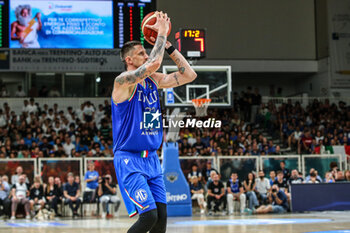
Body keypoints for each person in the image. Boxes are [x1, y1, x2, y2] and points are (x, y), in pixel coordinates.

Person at [111, 11, 196, 233]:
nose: (146, 55)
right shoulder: (122, 82)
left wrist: (168, 44)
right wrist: (161, 33)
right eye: (141, 53)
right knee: (148, 217)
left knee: (161, 221)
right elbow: (155, 63)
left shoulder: (153, 81)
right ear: (129, 60)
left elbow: (189, 75)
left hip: (152, 160)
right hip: (129, 159)